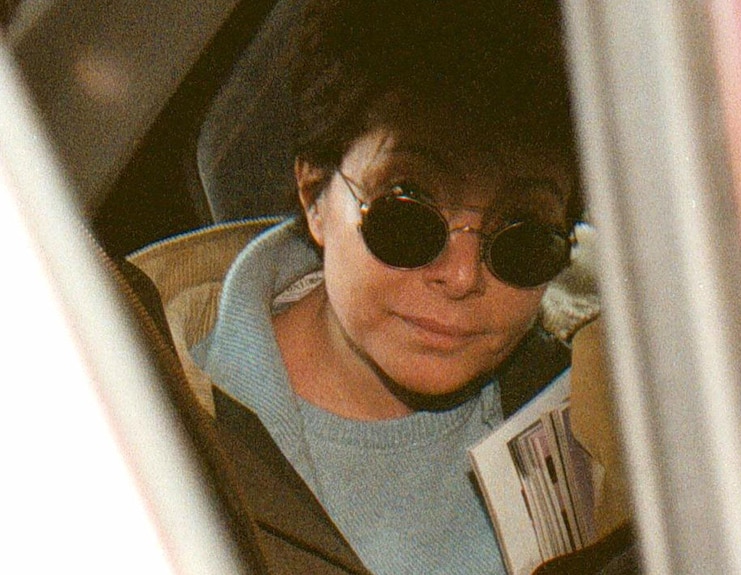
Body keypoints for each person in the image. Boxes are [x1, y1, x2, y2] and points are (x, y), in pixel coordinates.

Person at [128, 0, 636, 573]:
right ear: (315, 194)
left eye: (523, 237)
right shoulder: (158, 459)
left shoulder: (608, 403)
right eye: (408, 216)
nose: (462, 275)